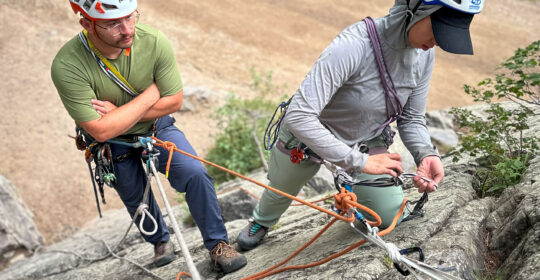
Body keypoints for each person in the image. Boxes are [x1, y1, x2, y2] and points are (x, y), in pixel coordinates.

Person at [237, 0, 484, 251]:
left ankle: (355, 197)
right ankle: (262, 221)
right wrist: (359, 162)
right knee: (282, 189)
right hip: (310, 137)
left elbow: (411, 117)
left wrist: (426, 153)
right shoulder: (354, 45)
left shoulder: (424, 55)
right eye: (438, 32)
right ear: (416, 9)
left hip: (366, 138)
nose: (438, 42)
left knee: (387, 216)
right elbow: (300, 116)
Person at [51, 0, 247, 273]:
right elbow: (101, 129)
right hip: (111, 143)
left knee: (194, 172)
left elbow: (174, 101)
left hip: (157, 128)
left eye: (130, 18)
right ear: (86, 24)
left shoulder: (154, 42)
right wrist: (152, 93)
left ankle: (217, 245)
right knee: (134, 196)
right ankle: (159, 240)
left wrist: (118, 113)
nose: (127, 29)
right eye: (113, 24)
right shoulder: (68, 65)